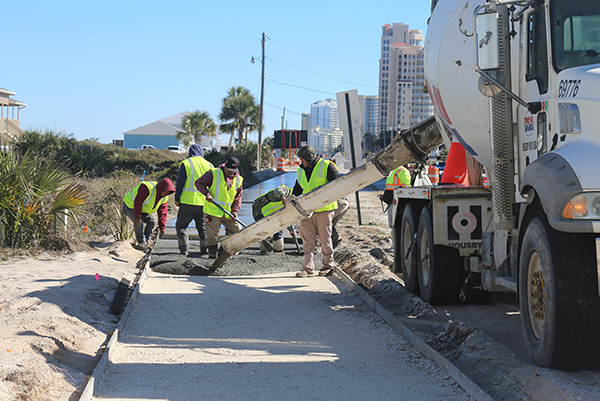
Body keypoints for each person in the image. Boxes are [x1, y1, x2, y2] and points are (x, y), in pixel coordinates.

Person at [292, 145, 340, 278]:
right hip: (307, 211)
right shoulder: (301, 170)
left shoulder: (327, 166)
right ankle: (308, 268)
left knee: (325, 239)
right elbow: (297, 190)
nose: (300, 162)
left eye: (302, 159)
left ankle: (328, 266)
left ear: (309, 158)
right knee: (307, 240)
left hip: (324, 210)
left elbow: (337, 185)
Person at [194, 157, 243, 259]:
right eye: (228, 170)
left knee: (236, 229)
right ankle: (212, 254)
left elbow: (238, 198)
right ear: (225, 165)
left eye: (232, 171)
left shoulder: (238, 180)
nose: (230, 173)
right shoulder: (214, 173)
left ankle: (223, 251)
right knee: (212, 234)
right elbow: (198, 183)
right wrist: (206, 193)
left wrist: (235, 211)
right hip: (213, 210)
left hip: (228, 212)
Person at [174, 144, 214, 256]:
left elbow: (180, 183)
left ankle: (184, 250)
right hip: (204, 203)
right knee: (203, 228)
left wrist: (177, 199)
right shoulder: (210, 165)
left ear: (190, 152)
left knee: (181, 227)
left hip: (187, 202)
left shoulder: (186, 163)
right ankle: (204, 250)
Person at [123, 178, 175, 253]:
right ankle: (141, 243)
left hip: (143, 210)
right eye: (166, 191)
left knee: (153, 221)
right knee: (138, 223)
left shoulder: (164, 198)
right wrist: (138, 216)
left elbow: (162, 212)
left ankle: (146, 243)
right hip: (130, 206)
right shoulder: (147, 188)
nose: (167, 194)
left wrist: (162, 227)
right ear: (161, 188)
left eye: (169, 192)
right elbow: (138, 202)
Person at [252, 185, 292, 253]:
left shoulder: (292, 204)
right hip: (260, 210)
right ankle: (264, 247)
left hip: (272, 213)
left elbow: (287, 218)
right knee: (265, 229)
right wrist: (282, 196)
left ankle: (278, 248)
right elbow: (278, 189)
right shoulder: (286, 191)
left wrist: (291, 230)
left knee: (279, 227)